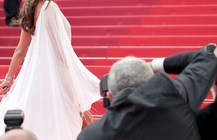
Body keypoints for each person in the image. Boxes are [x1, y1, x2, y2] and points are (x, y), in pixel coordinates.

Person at [0, 0, 101, 140]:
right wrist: (79, 80)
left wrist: (9, 78)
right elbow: (63, 53)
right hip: (57, 75)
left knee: (55, 121)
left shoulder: (32, 5)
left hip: (34, 74)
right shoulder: (50, 8)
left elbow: (20, 50)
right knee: (78, 121)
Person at [77, 44, 217, 140]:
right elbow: (207, 58)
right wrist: (151, 66)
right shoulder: (175, 96)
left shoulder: (92, 135)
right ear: (150, 81)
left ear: (110, 96)